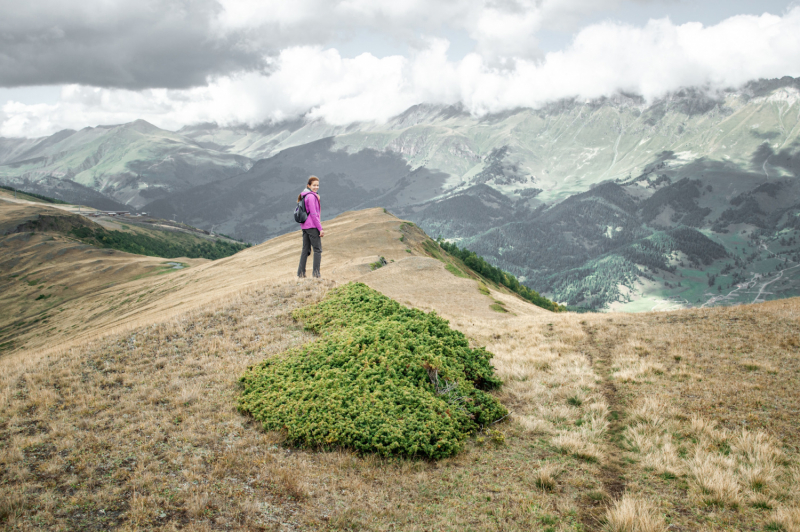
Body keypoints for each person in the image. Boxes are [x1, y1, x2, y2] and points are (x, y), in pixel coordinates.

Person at [297, 176, 324, 278]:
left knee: (305, 250)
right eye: (314, 185)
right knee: (317, 250)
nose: (316, 187)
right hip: (312, 226)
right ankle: (316, 274)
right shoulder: (312, 197)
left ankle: (301, 274)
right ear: (309, 185)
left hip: (305, 226)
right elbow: (313, 214)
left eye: (317, 185)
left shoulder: (305, 195)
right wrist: (320, 228)